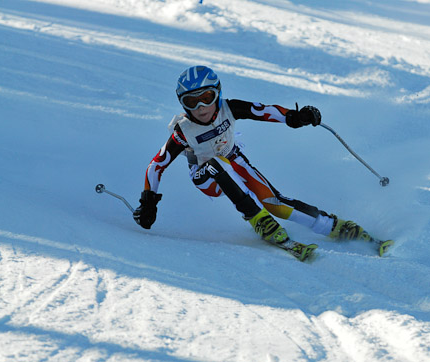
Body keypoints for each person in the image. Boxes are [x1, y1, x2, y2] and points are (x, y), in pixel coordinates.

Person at [132, 66, 390, 259]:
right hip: (205, 176)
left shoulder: (229, 108)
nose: (201, 107)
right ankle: (255, 217)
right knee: (216, 164)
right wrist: (148, 202)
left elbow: (266, 111)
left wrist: (296, 117)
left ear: (217, 94)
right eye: (191, 101)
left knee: (275, 203)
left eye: (207, 97)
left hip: (232, 158)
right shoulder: (183, 130)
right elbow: (156, 165)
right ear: (182, 103)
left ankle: (333, 225)